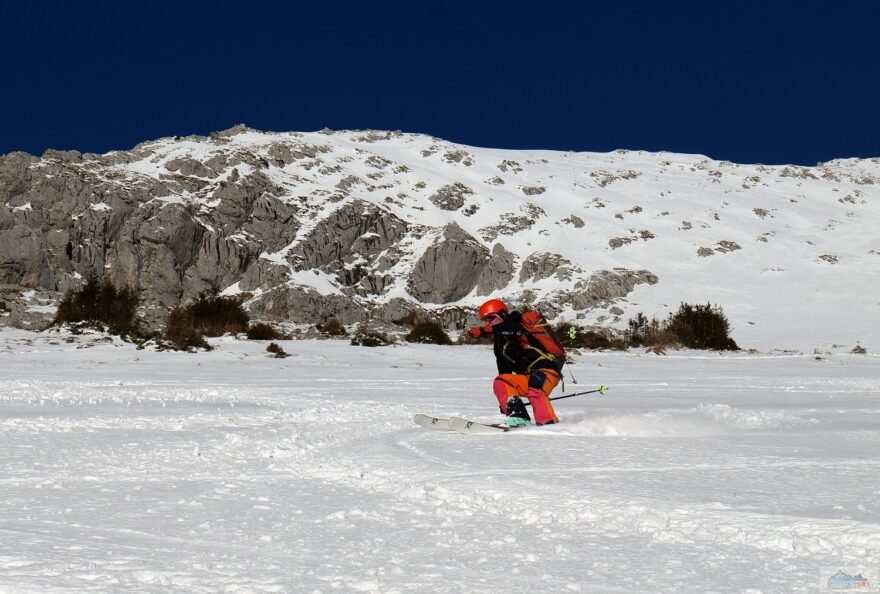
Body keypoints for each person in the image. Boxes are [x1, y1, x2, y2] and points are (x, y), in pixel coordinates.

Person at [468, 299, 566, 426]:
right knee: (500, 381)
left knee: (535, 390)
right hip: (528, 376)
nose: (488, 323)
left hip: (547, 370)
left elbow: (512, 329)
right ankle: (520, 418)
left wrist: (483, 331)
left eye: (491, 318)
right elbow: (504, 370)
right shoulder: (500, 344)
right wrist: (507, 401)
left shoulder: (517, 323)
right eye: (486, 320)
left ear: (502, 315)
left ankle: (548, 423)